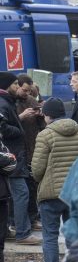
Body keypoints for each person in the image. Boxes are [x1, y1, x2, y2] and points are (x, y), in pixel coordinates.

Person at [31, 98, 78, 262]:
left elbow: (37, 169)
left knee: (50, 236)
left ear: (47, 115)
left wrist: (40, 180)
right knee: (73, 235)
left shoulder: (45, 135)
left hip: (51, 194)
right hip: (75, 193)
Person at [0, 72, 39, 245]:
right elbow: (3, 128)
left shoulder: (8, 101)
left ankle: (8, 229)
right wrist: (19, 130)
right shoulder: (3, 103)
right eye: (15, 84)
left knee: (10, 195)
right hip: (11, 156)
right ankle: (22, 233)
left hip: (13, 155)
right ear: (6, 85)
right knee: (21, 193)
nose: (17, 86)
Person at [16, 74, 45, 231]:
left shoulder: (31, 101)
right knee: (20, 189)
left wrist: (41, 115)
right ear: (18, 86)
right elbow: (7, 124)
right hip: (17, 149)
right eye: (25, 90)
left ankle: (33, 218)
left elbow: (43, 126)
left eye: (29, 91)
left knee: (32, 185)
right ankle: (19, 222)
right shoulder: (11, 102)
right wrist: (21, 116)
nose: (27, 93)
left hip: (32, 147)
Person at [0, 137, 17, 262]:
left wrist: (7, 159)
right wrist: (6, 159)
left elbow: (12, 162)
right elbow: (7, 159)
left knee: (1, 237)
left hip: (2, 196)